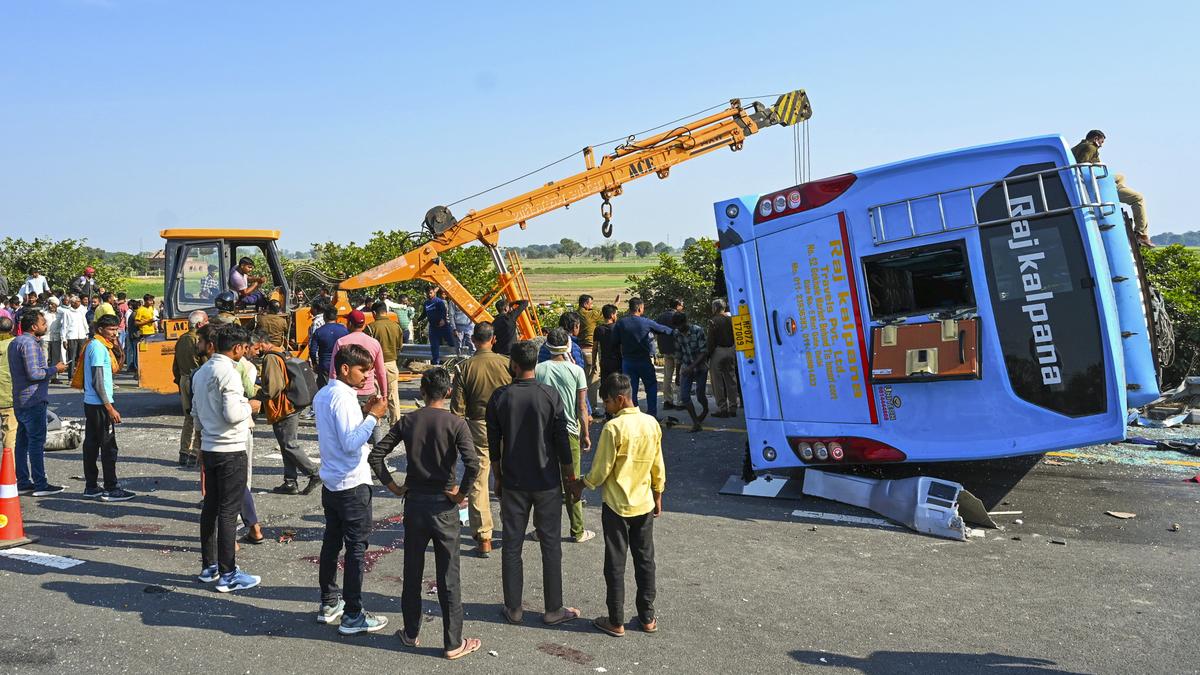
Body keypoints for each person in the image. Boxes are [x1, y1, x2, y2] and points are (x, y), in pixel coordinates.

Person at [369, 367, 483, 659]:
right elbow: (473, 464)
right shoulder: (456, 423)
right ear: (447, 393)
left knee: (412, 570)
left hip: (415, 503)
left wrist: (394, 486)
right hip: (444, 506)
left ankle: (410, 632)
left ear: (422, 392)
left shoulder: (409, 421)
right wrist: (460, 494)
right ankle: (452, 642)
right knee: (449, 576)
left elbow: (376, 454)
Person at [485, 340, 580, 627]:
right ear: (534, 364)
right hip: (547, 481)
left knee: (512, 545)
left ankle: (513, 608)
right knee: (551, 545)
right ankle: (553, 609)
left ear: (513, 364)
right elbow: (562, 439)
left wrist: (498, 476)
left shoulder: (500, 396)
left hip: (513, 481)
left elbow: (493, 443)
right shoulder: (549, 395)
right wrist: (570, 477)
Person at [568, 373, 665, 637]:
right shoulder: (651, 423)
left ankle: (616, 620)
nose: (606, 407)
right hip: (643, 503)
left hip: (617, 506)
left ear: (620, 399)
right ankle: (647, 617)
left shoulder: (614, 429)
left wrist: (580, 485)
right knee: (645, 560)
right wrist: (658, 493)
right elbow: (658, 464)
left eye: (608, 402)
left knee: (615, 563)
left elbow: (600, 472)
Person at [313, 344, 390, 634]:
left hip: (332, 482)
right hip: (351, 483)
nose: (366, 377)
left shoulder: (324, 394)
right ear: (345, 368)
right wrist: (373, 417)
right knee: (356, 549)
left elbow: (339, 433)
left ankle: (329, 602)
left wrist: (365, 412)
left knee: (332, 543)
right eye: (362, 371)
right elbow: (350, 442)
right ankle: (354, 614)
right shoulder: (343, 398)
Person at [191, 324, 262, 592]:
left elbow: (195, 413)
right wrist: (250, 406)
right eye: (244, 348)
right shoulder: (229, 373)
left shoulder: (202, 372)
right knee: (228, 512)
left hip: (210, 446)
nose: (245, 352)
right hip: (230, 448)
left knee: (211, 507)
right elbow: (233, 414)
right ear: (236, 348)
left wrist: (200, 442)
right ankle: (228, 573)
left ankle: (209, 566)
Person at [449, 321, 510, 556]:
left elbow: (457, 410)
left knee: (478, 480)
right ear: (493, 339)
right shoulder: (506, 364)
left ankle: (484, 536)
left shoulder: (464, 368)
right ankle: (511, 528)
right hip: (507, 425)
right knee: (510, 476)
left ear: (474, 340)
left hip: (478, 426)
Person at [535, 328, 594, 543]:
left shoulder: (539, 369)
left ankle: (542, 529)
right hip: (569, 432)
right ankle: (577, 530)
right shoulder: (577, 371)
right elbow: (581, 407)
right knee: (572, 482)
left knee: (545, 484)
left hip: (543, 433)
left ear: (548, 346)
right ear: (568, 346)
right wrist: (585, 433)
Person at [251, 330, 321, 496]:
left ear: (260, 343)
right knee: (285, 444)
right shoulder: (282, 351)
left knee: (289, 444)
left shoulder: (270, 357)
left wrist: (258, 394)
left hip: (283, 407)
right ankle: (290, 482)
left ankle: (314, 473)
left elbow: (274, 388)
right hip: (292, 404)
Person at [8, 309, 68, 496]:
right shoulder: (29, 344)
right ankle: (40, 484)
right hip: (33, 400)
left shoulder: (16, 342)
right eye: (43, 323)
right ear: (34, 326)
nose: (46, 326)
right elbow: (34, 374)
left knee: (23, 442)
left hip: (21, 399)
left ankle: (24, 481)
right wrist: (54, 369)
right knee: (35, 442)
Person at [81, 314, 135, 501]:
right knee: (108, 447)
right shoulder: (97, 347)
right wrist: (110, 408)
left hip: (93, 403)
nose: (115, 333)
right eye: (111, 329)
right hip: (99, 405)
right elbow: (98, 381)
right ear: (100, 329)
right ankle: (111, 487)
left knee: (92, 444)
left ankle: (91, 486)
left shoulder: (96, 345)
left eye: (116, 329)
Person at [1071, 129, 1152, 247]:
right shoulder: (1090, 147)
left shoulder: (1079, 146)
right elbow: (1082, 167)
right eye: (1101, 142)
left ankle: (1118, 187)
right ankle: (1141, 234)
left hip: (1099, 179)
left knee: (1120, 177)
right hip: (1099, 183)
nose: (1102, 146)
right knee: (1138, 198)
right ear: (1096, 139)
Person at [328, 309, 388, 444]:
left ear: (349, 323)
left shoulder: (341, 342)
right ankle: (378, 459)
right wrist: (384, 395)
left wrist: (331, 393)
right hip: (369, 392)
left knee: (351, 429)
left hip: (348, 393)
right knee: (373, 423)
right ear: (364, 324)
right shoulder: (374, 343)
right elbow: (381, 372)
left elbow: (333, 371)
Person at [611, 298, 674, 418]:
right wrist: (678, 332)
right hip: (644, 361)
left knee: (630, 390)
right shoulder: (646, 322)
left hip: (628, 362)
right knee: (651, 387)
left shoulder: (621, 323)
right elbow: (663, 330)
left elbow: (614, 342)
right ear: (639, 308)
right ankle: (652, 415)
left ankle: (632, 416)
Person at [173, 310, 208, 467]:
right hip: (196, 380)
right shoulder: (198, 341)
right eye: (206, 322)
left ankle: (183, 452)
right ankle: (195, 453)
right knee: (200, 416)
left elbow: (175, 365)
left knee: (188, 417)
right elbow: (206, 363)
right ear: (200, 324)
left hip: (183, 378)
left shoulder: (181, 339)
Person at [364, 301, 403, 425]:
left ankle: (376, 425)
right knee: (393, 397)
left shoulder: (371, 327)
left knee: (375, 397)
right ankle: (396, 424)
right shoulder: (396, 326)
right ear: (385, 311)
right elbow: (399, 346)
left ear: (374, 313)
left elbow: (366, 349)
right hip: (391, 363)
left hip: (374, 366)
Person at [672, 312, 709, 432]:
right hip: (686, 367)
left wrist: (692, 367)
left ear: (685, 322)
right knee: (684, 396)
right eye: (677, 326)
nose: (679, 328)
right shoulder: (677, 334)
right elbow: (678, 355)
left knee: (700, 394)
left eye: (680, 325)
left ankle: (705, 409)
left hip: (700, 367)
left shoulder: (698, 331)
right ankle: (696, 422)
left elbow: (703, 352)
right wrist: (677, 374)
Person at [706, 299, 738, 417]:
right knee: (731, 379)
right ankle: (733, 407)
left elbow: (710, 341)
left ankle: (722, 408)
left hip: (718, 351)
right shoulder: (731, 319)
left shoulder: (713, 321)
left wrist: (708, 355)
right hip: (731, 350)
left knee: (717, 381)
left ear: (715, 308)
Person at [592, 304, 623, 418]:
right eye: (616, 314)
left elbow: (595, 348)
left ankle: (607, 412)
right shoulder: (618, 328)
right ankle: (619, 409)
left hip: (604, 362)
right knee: (618, 386)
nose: (616, 316)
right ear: (612, 315)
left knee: (606, 387)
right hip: (617, 361)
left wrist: (594, 362)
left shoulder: (598, 329)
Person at [655, 299, 684, 411]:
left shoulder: (661, 316)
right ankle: (681, 401)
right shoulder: (679, 316)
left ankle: (668, 400)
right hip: (678, 350)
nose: (682, 307)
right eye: (682, 305)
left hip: (665, 349)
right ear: (677, 306)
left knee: (667, 376)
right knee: (680, 375)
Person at [577, 295, 603, 416]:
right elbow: (608, 315)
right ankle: (591, 407)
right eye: (591, 303)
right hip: (589, 351)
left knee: (581, 379)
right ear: (586, 304)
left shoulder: (576, 314)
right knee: (593, 380)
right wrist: (616, 303)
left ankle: (579, 404)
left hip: (578, 350)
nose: (592, 306)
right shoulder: (590, 315)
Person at [310, 305, 347, 388]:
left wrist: (314, 364)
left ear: (324, 317)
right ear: (336, 316)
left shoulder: (319, 331)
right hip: (340, 366)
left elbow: (313, 350)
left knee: (324, 391)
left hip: (324, 366)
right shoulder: (344, 330)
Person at [420, 286, 457, 364]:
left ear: (434, 292)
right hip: (433, 328)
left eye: (431, 293)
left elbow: (443, 311)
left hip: (443, 327)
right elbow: (424, 314)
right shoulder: (426, 303)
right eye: (428, 293)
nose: (429, 295)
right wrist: (418, 320)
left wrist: (442, 319)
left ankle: (456, 360)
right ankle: (436, 362)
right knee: (434, 346)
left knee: (451, 343)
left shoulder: (439, 301)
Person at [0, 317, 17, 455]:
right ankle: (9, 469)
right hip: (8, 394)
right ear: (12, 328)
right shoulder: (15, 344)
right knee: (10, 432)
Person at [130, 294, 156, 374]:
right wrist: (147, 322)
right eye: (150, 300)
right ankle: (139, 371)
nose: (151, 302)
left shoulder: (151, 308)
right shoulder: (140, 310)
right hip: (144, 333)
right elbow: (136, 323)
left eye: (152, 300)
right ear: (145, 301)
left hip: (152, 332)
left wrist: (155, 326)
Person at [44, 296, 64, 384]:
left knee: (55, 358)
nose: (50, 306)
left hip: (56, 338)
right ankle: (44, 376)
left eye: (52, 304)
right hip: (45, 337)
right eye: (49, 304)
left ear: (56, 305)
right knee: (45, 357)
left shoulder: (61, 314)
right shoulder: (44, 314)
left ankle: (54, 377)